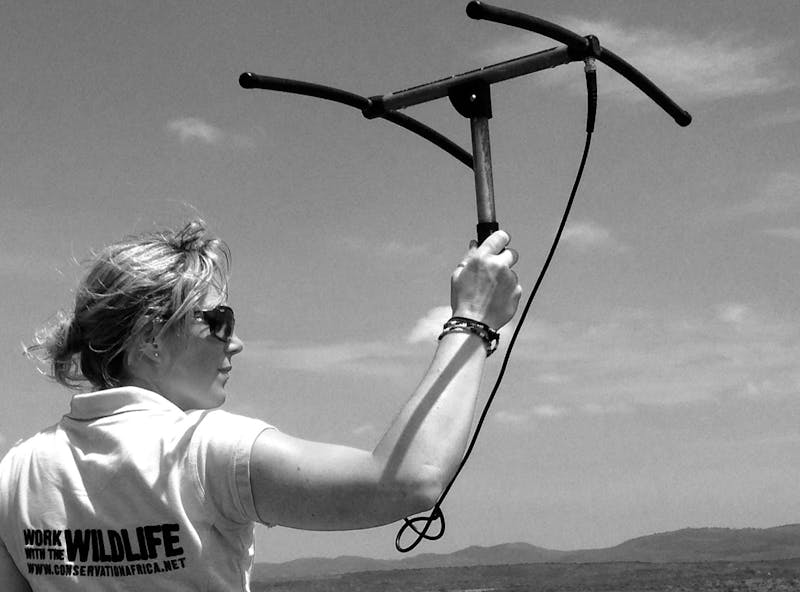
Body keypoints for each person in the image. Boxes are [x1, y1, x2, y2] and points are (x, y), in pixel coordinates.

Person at [0, 221, 521, 591]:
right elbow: (408, 481)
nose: (235, 342)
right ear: (149, 341)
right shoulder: (202, 449)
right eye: (218, 321)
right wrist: (472, 320)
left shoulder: (15, 473)